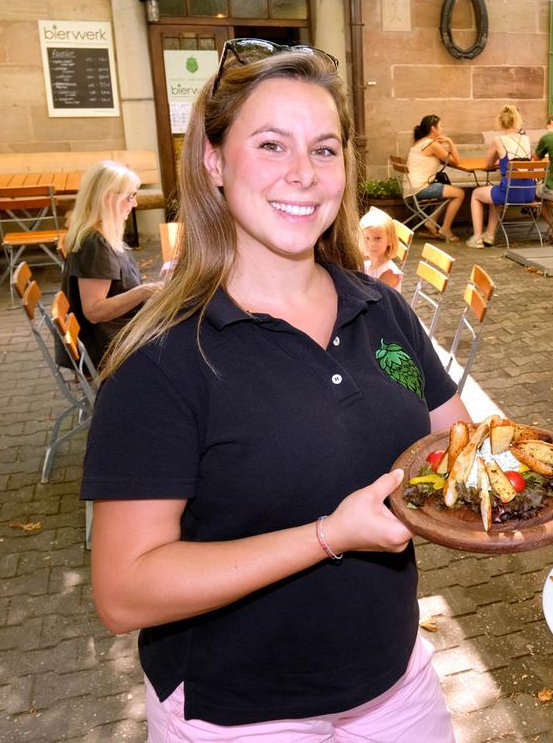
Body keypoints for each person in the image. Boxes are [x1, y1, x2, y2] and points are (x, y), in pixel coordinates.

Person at [81, 42, 470, 740]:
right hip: (238, 709)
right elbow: (123, 590)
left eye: (324, 150)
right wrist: (326, 536)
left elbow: (460, 447)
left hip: (391, 680)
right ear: (213, 160)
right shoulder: (164, 357)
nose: (302, 174)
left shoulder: (379, 308)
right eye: (270, 145)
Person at [59, 160, 163, 369]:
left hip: (120, 335)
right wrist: (144, 291)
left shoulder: (101, 235)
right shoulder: (95, 245)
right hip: (110, 346)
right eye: (130, 196)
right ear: (109, 199)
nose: (134, 204)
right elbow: (94, 311)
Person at [465, 104, 536, 249]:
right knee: (493, 194)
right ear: (517, 121)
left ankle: (477, 238)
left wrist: (500, 159)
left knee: (476, 194)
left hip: (509, 193)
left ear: (500, 122)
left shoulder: (499, 140)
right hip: (529, 193)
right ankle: (490, 235)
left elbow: (488, 163)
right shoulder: (526, 139)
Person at [406, 114, 464, 242]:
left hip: (412, 187)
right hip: (421, 188)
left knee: (451, 192)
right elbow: (457, 161)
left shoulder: (419, 142)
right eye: (440, 126)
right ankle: (445, 229)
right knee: (459, 193)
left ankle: (431, 222)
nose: (442, 129)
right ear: (433, 128)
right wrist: (450, 141)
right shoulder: (432, 144)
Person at [361, 206, 404, 289]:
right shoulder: (367, 265)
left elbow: (373, 299)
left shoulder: (388, 272)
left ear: (390, 240)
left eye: (378, 238)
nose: (371, 244)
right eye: (367, 238)